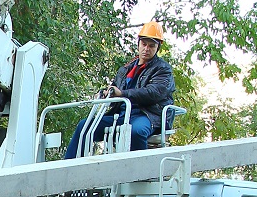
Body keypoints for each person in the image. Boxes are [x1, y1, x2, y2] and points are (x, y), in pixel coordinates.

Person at [65, 21, 175, 158]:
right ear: (139, 43)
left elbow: (154, 92)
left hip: (146, 115)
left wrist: (122, 94)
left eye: (151, 46)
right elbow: (115, 90)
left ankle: (140, 173)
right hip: (122, 115)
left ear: (158, 47)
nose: (146, 49)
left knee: (136, 131)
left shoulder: (162, 69)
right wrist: (106, 94)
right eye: (144, 44)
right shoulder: (126, 69)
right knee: (84, 126)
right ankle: (68, 168)